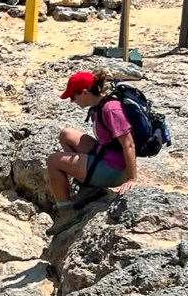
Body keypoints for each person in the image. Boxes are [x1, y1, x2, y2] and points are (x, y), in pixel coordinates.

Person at [45, 70, 138, 236]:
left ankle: (66, 212)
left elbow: (128, 144)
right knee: (66, 135)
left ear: (85, 92)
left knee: (53, 161)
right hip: (107, 155)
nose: (72, 101)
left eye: (73, 97)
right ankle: (88, 186)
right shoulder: (100, 103)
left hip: (113, 170)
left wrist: (132, 178)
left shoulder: (110, 109)